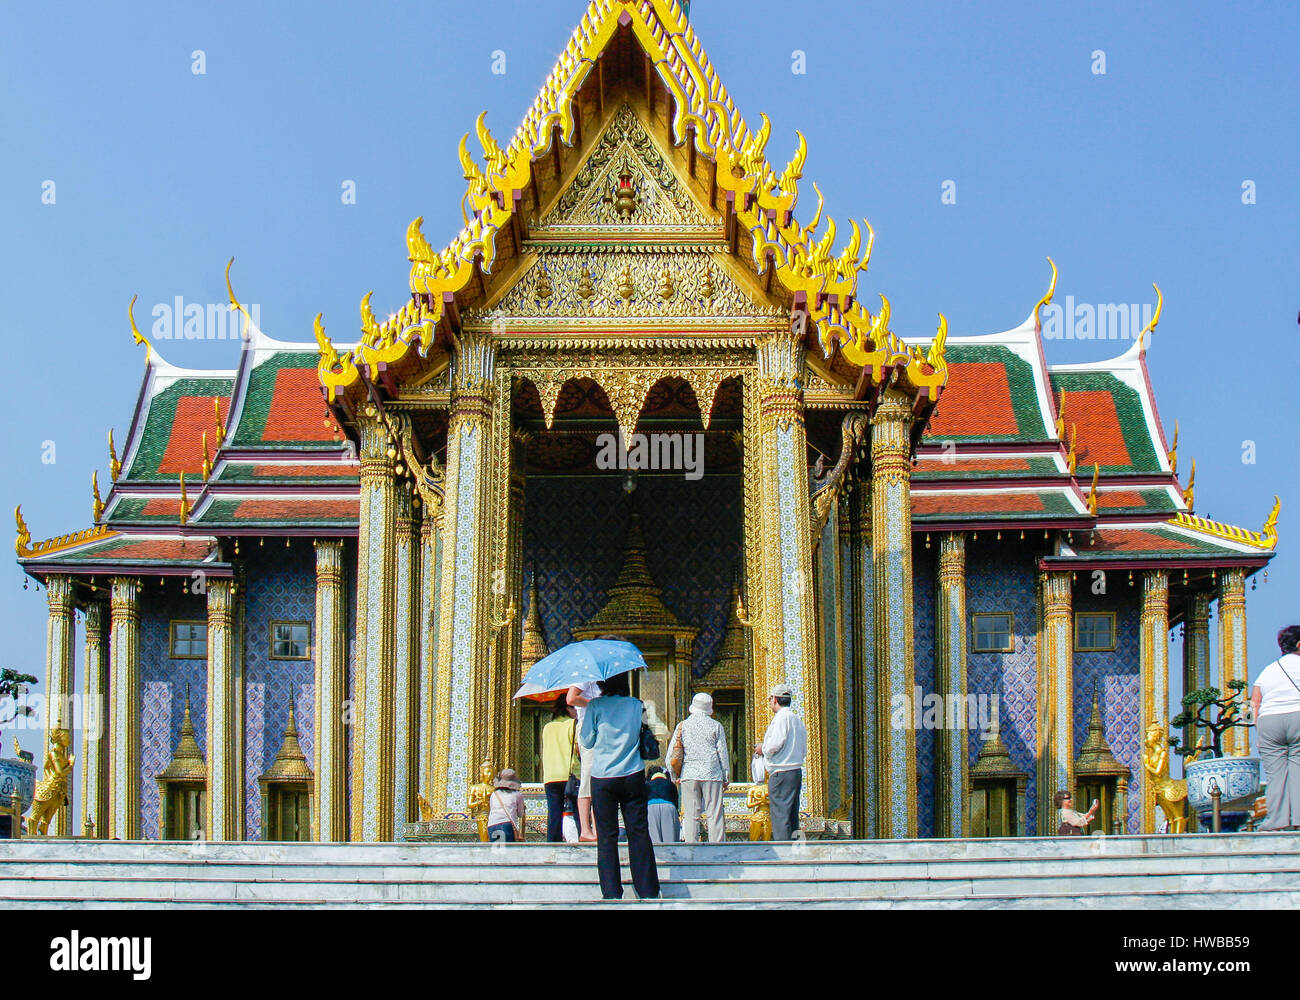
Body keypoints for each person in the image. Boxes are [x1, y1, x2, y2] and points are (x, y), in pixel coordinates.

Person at [579, 670, 660, 899]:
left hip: (603, 776)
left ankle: (612, 892)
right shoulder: (637, 705)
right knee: (638, 833)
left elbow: (586, 740)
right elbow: (647, 731)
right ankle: (647, 889)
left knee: (606, 836)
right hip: (632, 773)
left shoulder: (595, 706)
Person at [1251, 625, 1300, 831]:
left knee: (1275, 775)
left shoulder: (1268, 670)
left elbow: (1255, 701)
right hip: (1297, 716)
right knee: (1297, 770)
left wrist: (1259, 730)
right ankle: (1297, 819)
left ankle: (1276, 820)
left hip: (1269, 721)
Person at [670, 692, 730, 843]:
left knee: (691, 814)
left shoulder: (682, 726)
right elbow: (722, 753)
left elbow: (672, 753)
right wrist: (725, 776)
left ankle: (691, 848)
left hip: (689, 773)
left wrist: (674, 775)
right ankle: (717, 850)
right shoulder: (716, 726)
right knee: (714, 814)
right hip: (712, 772)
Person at [754, 683, 807, 841]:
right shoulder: (796, 719)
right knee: (791, 815)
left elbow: (776, 743)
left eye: (771, 699)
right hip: (795, 770)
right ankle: (793, 849)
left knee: (780, 816)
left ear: (775, 699)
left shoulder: (781, 718)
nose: (770, 703)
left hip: (781, 772)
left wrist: (763, 749)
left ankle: (783, 852)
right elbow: (803, 748)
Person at [541, 695, 581, 843]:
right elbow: (578, 747)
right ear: (567, 708)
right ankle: (581, 837)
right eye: (574, 707)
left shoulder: (548, 726)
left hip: (551, 776)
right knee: (578, 811)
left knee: (554, 814)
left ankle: (552, 844)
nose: (576, 711)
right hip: (570, 774)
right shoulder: (573, 724)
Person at [567, 678, 603, 842]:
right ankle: (585, 829)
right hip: (589, 726)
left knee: (597, 777)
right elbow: (571, 698)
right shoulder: (584, 676)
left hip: (598, 726)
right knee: (588, 776)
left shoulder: (597, 679)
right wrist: (592, 704)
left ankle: (596, 828)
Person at [485, 769, 525, 843]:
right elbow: (520, 814)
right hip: (506, 825)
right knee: (508, 852)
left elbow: (491, 809)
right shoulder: (517, 794)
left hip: (492, 825)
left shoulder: (494, 794)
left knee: (496, 852)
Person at [645, 765, 680, 843]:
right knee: (670, 840)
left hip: (651, 808)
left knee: (654, 840)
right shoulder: (671, 784)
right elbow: (676, 802)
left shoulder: (647, 785)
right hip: (669, 808)